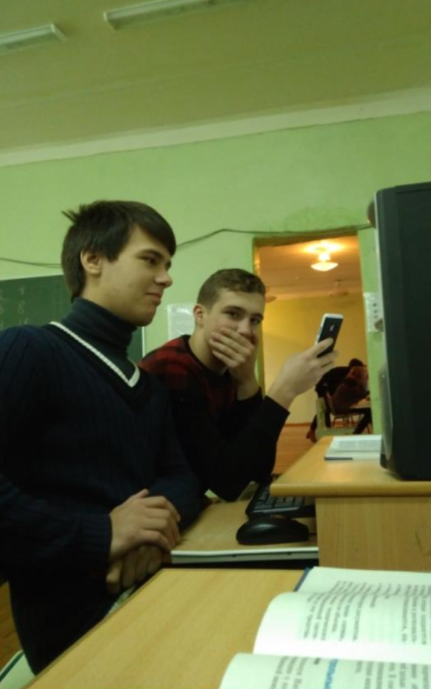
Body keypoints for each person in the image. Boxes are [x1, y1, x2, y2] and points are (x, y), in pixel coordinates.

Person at [0, 200, 200, 674]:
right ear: (92, 259)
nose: (166, 278)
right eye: (150, 260)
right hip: (74, 626)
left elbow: (183, 478)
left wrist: (148, 532)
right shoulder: (29, 350)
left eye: (168, 264)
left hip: (151, 585)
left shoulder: (146, 385)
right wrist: (103, 534)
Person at [140, 268, 337, 501]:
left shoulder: (232, 370)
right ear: (200, 315)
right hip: (157, 510)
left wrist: (247, 382)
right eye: (233, 314)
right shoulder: (171, 367)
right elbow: (227, 482)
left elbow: (258, 470)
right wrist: (284, 391)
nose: (245, 330)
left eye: (255, 320)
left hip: (190, 504)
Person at [307, 358, 365, 440]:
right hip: (323, 387)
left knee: (324, 409)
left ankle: (317, 431)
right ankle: (321, 432)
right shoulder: (349, 373)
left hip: (325, 386)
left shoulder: (348, 372)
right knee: (325, 409)